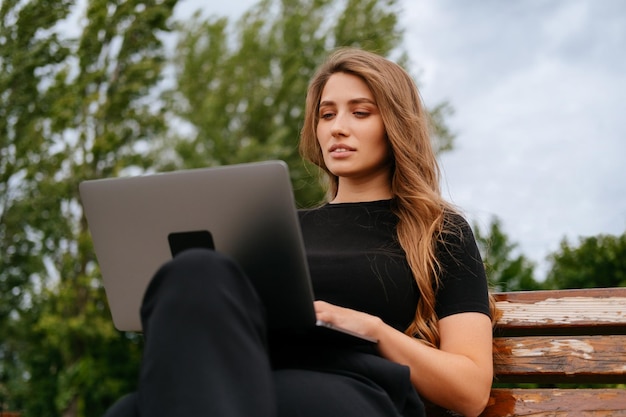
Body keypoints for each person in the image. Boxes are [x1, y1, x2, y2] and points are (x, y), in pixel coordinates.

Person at [103, 47, 495, 417]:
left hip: (351, 387)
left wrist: (371, 328)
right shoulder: (272, 228)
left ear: (395, 124)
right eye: (327, 115)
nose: (338, 128)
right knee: (195, 269)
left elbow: (471, 390)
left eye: (360, 113)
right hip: (246, 379)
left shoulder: (438, 232)